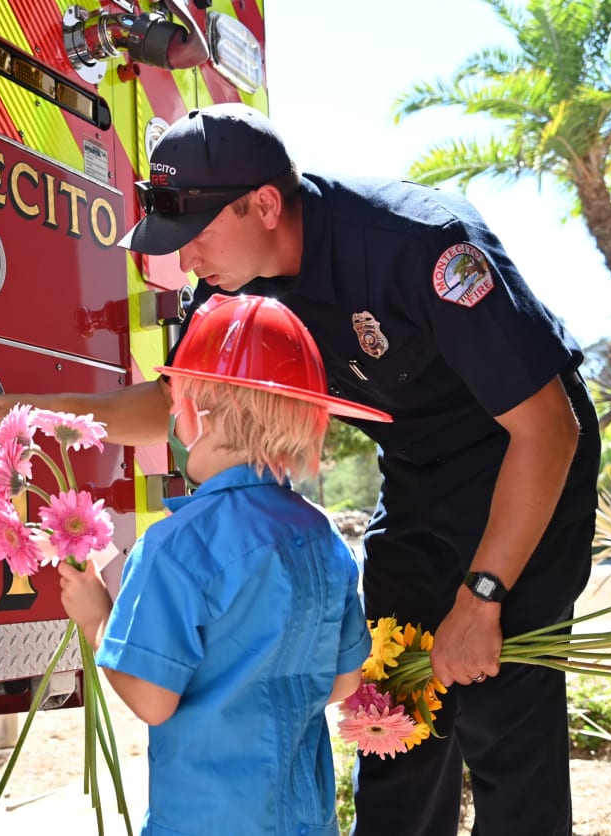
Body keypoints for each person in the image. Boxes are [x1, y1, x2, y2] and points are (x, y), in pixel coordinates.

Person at [0, 102, 601, 836]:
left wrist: (483, 595)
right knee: (390, 722)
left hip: (528, 473)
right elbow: (182, 402)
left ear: (265, 204)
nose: (186, 260)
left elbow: (548, 427)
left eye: (195, 235)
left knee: (502, 721)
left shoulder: (418, 245)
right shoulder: (233, 291)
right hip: (421, 480)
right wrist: (43, 413)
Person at [57, 293, 378, 835]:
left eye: (175, 405)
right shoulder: (324, 538)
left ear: (198, 414)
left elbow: (153, 701)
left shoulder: (176, 545)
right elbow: (344, 680)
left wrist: (96, 620)